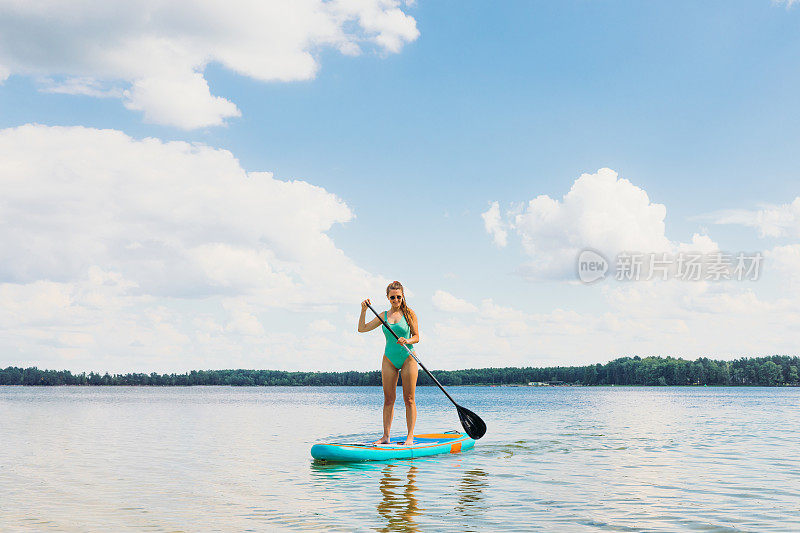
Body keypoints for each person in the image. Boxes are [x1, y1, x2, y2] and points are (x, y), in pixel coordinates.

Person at [358, 281, 420, 446]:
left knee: (409, 399)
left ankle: (410, 437)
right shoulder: (383, 316)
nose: (396, 300)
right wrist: (363, 310)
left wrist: (407, 340)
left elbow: (417, 337)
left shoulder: (409, 314)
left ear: (402, 296)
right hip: (389, 359)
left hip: (408, 357)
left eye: (399, 297)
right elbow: (362, 328)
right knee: (388, 399)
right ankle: (386, 436)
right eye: (392, 297)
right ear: (387, 297)